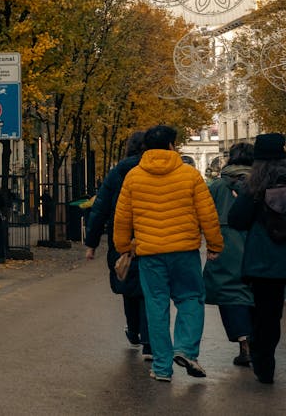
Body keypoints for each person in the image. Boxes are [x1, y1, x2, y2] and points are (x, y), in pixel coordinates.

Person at [113, 125, 223, 382]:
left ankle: (162, 368)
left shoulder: (133, 176)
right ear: (172, 145)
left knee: (156, 306)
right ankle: (185, 349)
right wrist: (215, 245)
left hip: (149, 253)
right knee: (191, 298)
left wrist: (123, 247)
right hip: (185, 251)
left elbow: (122, 217)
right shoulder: (190, 175)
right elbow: (207, 214)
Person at [84, 131, 150, 360]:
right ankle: (149, 340)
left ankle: (134, 330)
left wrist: (91, 243)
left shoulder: (117, 172)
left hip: (121, 238)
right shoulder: (155, 169)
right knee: (150, 289)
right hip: (151, 236)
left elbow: (100, 208)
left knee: (128, 285)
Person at [228, 132, 286, 384]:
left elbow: (236, 221)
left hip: (263, 262)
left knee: (266, 316)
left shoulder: (253, 186)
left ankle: (265, 365)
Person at [204, 142, 255, 367]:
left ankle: (244, 342)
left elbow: (205, 216)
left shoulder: (217, 186)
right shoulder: (263, 183)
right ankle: (257, 339)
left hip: (225, 246)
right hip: (257, 245)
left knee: (230, 294)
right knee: (258, 292)